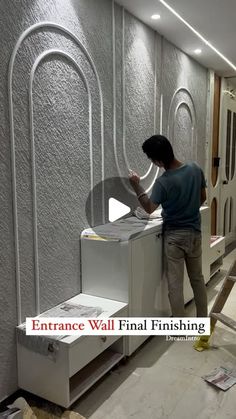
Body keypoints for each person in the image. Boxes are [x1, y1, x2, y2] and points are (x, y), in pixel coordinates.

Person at [129, 134, 207, 317]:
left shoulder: (163, 182)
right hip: (194, 234)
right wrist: (187, 210)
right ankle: (203, 324)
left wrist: (136, 185)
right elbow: (202, 198)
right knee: (197, 279)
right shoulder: (195, 168)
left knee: (175, 285)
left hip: (174, 238)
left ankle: (179, 327)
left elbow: (149, 208)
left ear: (157, 160)